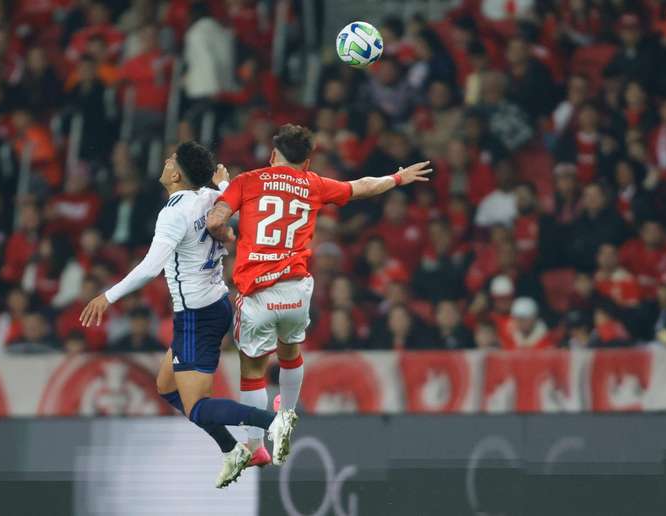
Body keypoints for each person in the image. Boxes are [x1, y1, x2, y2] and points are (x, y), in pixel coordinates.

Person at [205, 124, 431, 468]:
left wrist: (223, 228)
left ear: (272, 155)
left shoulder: (247, 181)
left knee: (252, 368)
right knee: (291, 352)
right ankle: (288, 415)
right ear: (307, 162)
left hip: (257, 293)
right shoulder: (312, 184)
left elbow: (215, 219)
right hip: (296, 292)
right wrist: (398, 179)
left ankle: (254, 446)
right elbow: (363, 187)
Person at [78, 141, 289, 488]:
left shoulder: (173, 213)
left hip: (195, 317)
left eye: (170, 160)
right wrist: (223, 185)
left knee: (197, 407)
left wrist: (107, 295)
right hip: (214, 304)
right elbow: (238, 211)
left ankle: (273, 422)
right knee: (165, 385)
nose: (164, 161)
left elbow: (150, 267)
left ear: (176, 174)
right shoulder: (209, 199)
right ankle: (233, 450)